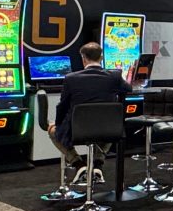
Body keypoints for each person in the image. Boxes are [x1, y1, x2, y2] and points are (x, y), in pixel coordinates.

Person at [49, 42, 131, 183]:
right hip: (108, 130)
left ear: (83, 58)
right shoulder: (115, 76)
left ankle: (79, 164)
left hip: (78, 130)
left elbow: (62, 106)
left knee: (52, 131)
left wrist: (58, 125)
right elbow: (128, 89)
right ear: (101, 58)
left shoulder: (71, 78)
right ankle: (98, 164)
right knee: (113, 125)